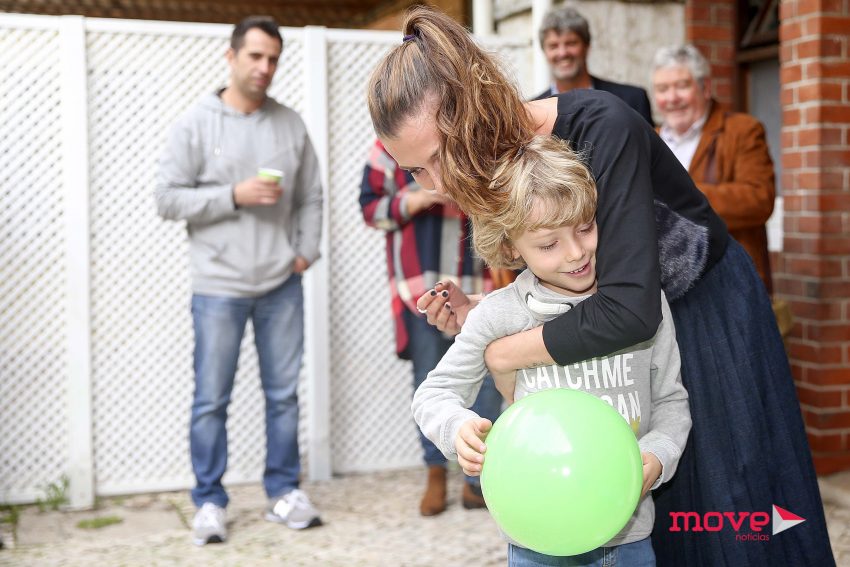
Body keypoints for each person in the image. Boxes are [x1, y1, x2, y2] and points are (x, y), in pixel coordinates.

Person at [368, 6, 834, 566]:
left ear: (471, 111)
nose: (438, 185)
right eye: (417, 171)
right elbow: (563, 286)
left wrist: (503, 349)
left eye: (439, 157)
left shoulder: (602, 127)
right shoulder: (492, 167)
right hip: (617, 340)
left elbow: (628, 311)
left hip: (702, 316)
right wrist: (486, 313)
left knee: (727, 515)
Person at [412, 135, 691, 566]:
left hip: (629, 533)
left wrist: (657, 453)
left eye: (584, 227)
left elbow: (672, 400)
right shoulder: (498, 315)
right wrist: (457, 427)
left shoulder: (640, 303)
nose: (576, 252)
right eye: (548, 244)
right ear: (510, 247)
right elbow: (434, 393)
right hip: (535, 539)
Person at [156, 16, 323, 546]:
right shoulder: (195, 124)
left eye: (272, 58)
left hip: (280, 283)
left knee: (283, 396)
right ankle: (209, 501)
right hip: (217, 287)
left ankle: (283, 492)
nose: (264, 67)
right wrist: (233, 195)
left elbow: (312, 194)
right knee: (211, 398)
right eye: (254, 56)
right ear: (230, 57)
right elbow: (167, 198)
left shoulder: (290, 124)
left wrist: (305, 252)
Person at [359, 139, 504, 516]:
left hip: (475, 279)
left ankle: (479, 480)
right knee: (429, 379)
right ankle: (436, 472)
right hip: (418, 285)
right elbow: (371, 210)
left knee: (488, 378)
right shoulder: (385, 147)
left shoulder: (470, 136)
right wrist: (417, 197)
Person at [652, 44, 775, 294]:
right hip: (668, 289)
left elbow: (759, 198)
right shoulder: (649, 140)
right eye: (663, 89)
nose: (672, 98)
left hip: (730, 282)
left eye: (682, 86)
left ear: (705, 88)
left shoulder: (742, 131)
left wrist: (678, 196)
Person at [533, 5, 654, 126]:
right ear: (544, 52)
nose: (563, 53)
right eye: (553, 46)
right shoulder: (530, 111)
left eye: (571, 43)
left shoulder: (632, 100)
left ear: (587, 46)